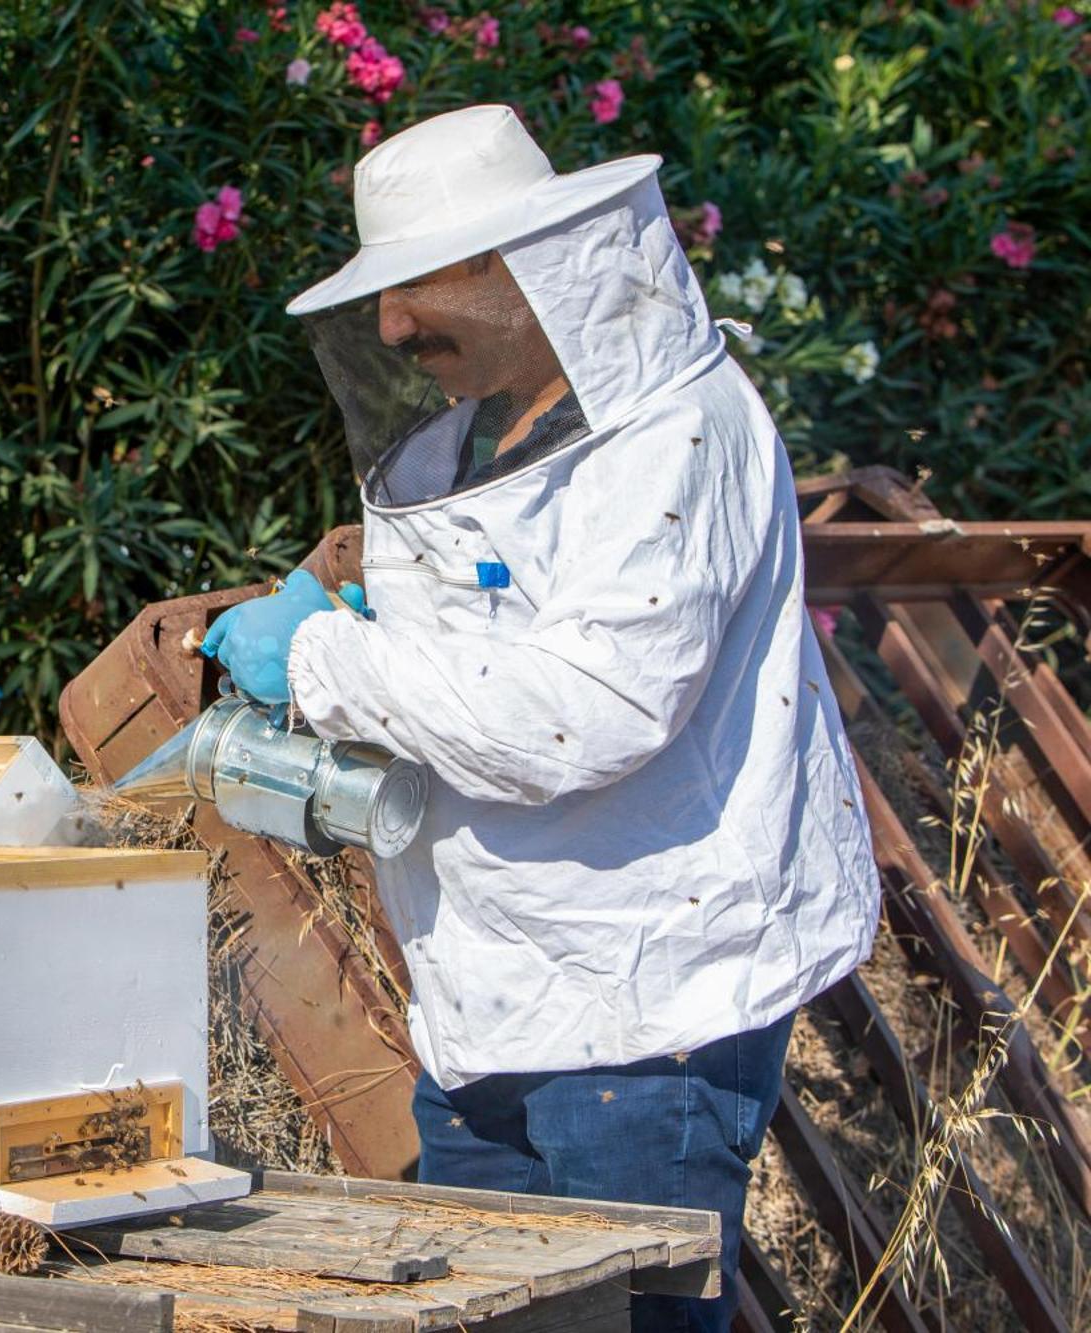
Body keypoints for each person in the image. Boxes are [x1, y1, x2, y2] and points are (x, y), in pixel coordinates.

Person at [201, 105, 880, 1333]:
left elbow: (583, 716)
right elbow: (482, 657)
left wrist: (319, 655)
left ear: (527, 265)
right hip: (484, 998)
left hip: (645, 1013)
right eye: (382, 299)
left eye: (418, 287)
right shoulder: (465, 443)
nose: (396, 327)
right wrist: (367, 627)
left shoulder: (674, 434)